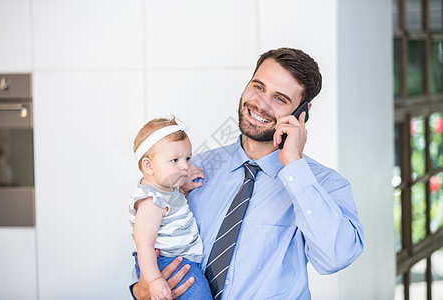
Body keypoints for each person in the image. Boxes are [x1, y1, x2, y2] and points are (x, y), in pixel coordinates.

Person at [130, 47, 364, 299]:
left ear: (301, 114)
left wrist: (294, 165)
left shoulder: (322, 184)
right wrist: (141, 290)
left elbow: (336, 258)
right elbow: (153, 240)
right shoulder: (190, 170)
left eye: (280, 99)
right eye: (258, 87)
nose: (260, 104)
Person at [129, 117, 212, 300]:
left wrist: (182, 188)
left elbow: (174, 210)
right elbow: (144, 246)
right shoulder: (151, 202)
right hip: (163, 261)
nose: (185, 166)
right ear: (149, 166)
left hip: (178, 258)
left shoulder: (167, 189)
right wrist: (155, 280)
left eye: (187, 158)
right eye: (175, 160)